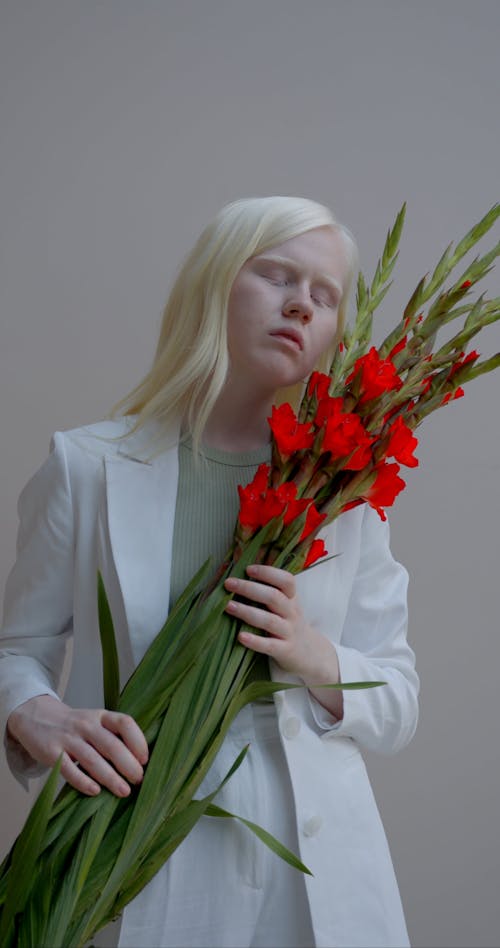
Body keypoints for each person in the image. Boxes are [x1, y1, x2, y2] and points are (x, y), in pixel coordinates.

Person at [0, 196, 419, 948]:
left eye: (324, 296)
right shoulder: (89, 467)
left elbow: (398, 698)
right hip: (142, 850)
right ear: (214, 284)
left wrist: (312, 653)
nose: (301, 304)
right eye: (277, 276)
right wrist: (35, 714)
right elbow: (16, 652)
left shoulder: (346, 491)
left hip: (319, 871)